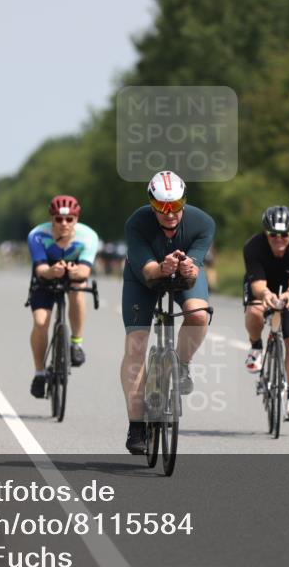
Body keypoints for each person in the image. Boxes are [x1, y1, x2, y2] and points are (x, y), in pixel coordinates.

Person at [120, 171, 215, 454]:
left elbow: (195, 268)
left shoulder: (203, 223)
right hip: (143, 277)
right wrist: (162, 268)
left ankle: (182, 364)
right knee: (135, 344)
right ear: (152, 204)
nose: (170, 213)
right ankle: (136, 426)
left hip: (183, 275)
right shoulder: (137, 223)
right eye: (162, 206)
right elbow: (148, 271)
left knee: (198, 314)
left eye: (176, 205)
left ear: (185, 201)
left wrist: (188, 267)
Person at [242, 206, 289, 421]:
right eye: (273, 234)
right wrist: (265, 294)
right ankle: (256, 347)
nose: (279, 239)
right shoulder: (254, 246)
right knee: (255, 311)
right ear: (266, 233)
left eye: (284, 235)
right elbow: (258, 284)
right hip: (261, 285)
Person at [27, 195, 100, 397]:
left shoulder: (88, 236)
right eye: (59, 219)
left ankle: (76, 343)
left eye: (69, 219)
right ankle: (39, 373)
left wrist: (76, 272)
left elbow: (86, 270)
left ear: (76, 219)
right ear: (52, 219)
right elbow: (41, 269)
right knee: (41, 323)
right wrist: (53, 272)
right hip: (46, 279)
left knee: (78, 288)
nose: (64, 224)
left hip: (73, 277)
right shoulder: (37, 235)